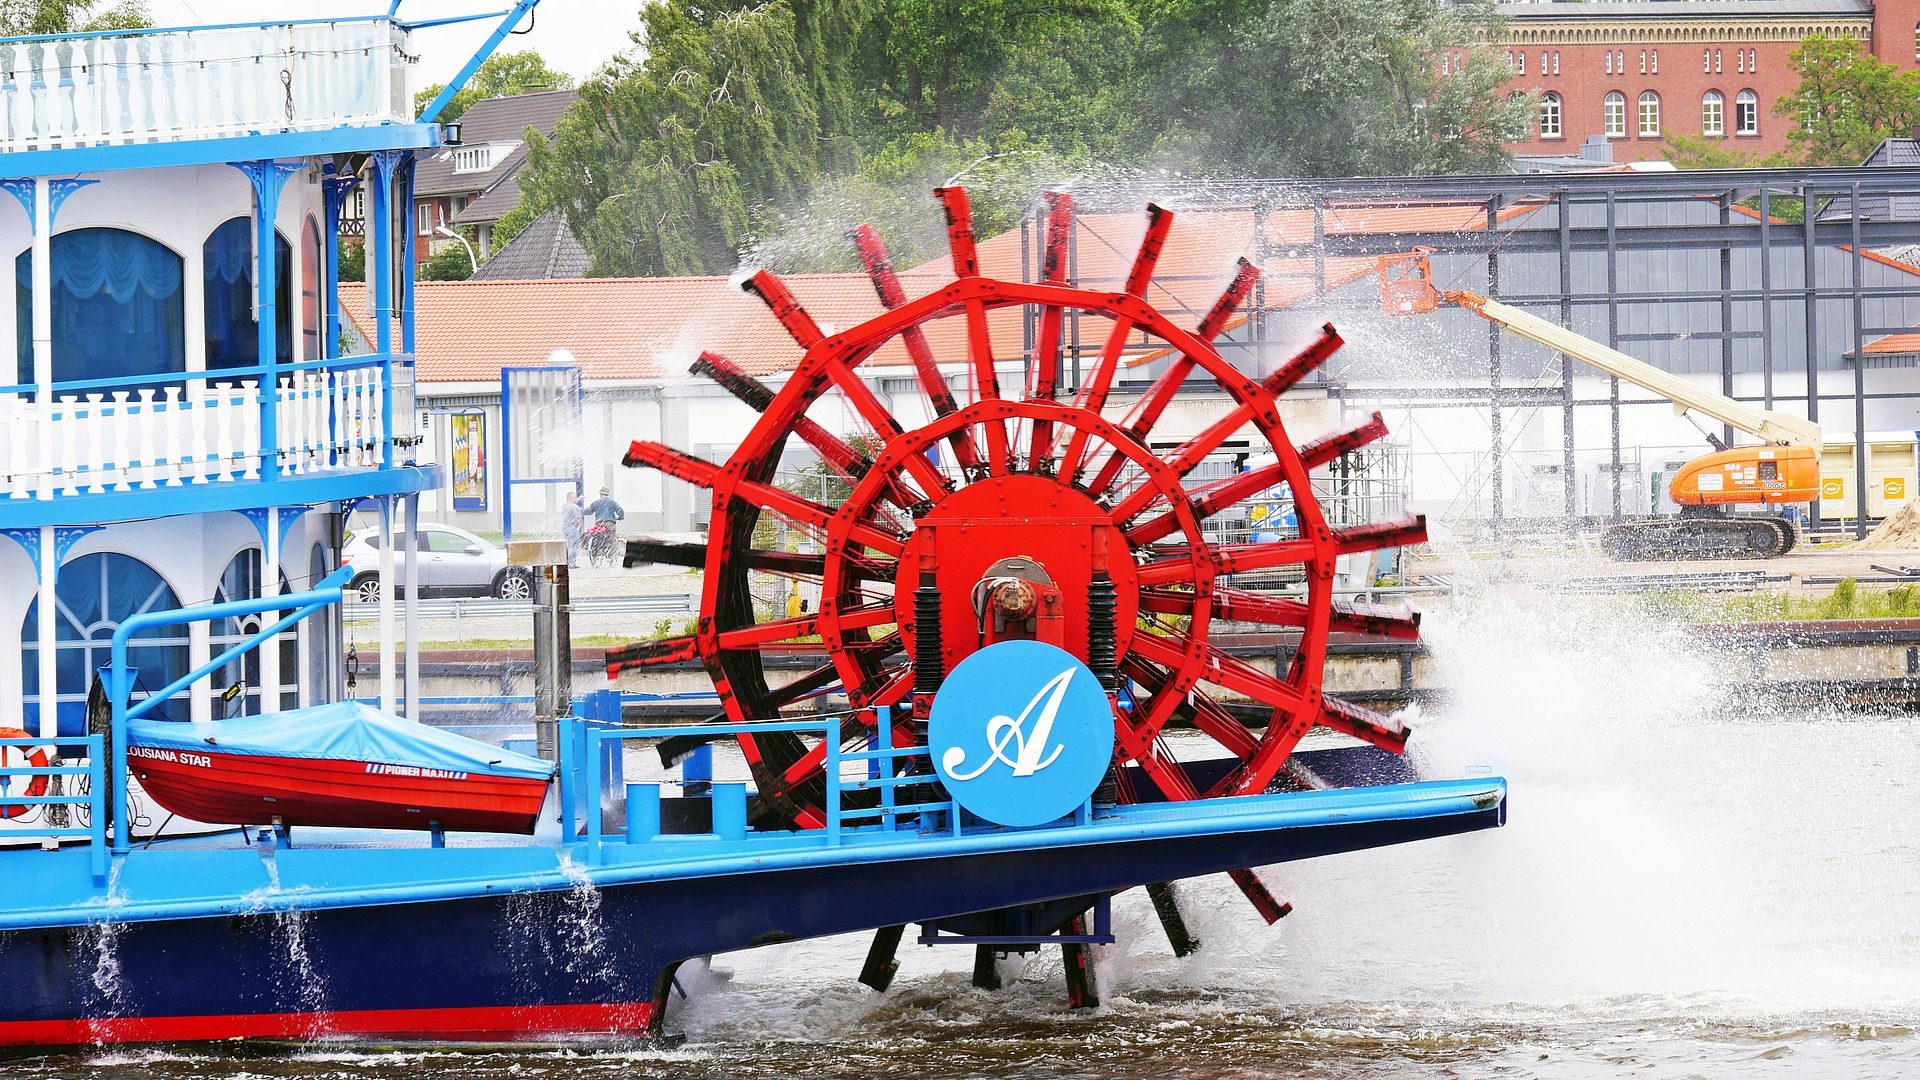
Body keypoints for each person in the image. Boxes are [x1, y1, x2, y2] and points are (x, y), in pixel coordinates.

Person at [562, 490, 584, 568]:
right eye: (574, 497)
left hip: (565, 528)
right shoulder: (574, 506)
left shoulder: (564, 506)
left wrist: (579, 499)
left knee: (569, 545)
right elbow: (578, 518)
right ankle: (571, 564)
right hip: (572, 528)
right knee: (573, 546)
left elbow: (572, 503)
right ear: (570, 498)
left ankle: (567, 562)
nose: (575, 499)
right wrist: (581, 527)